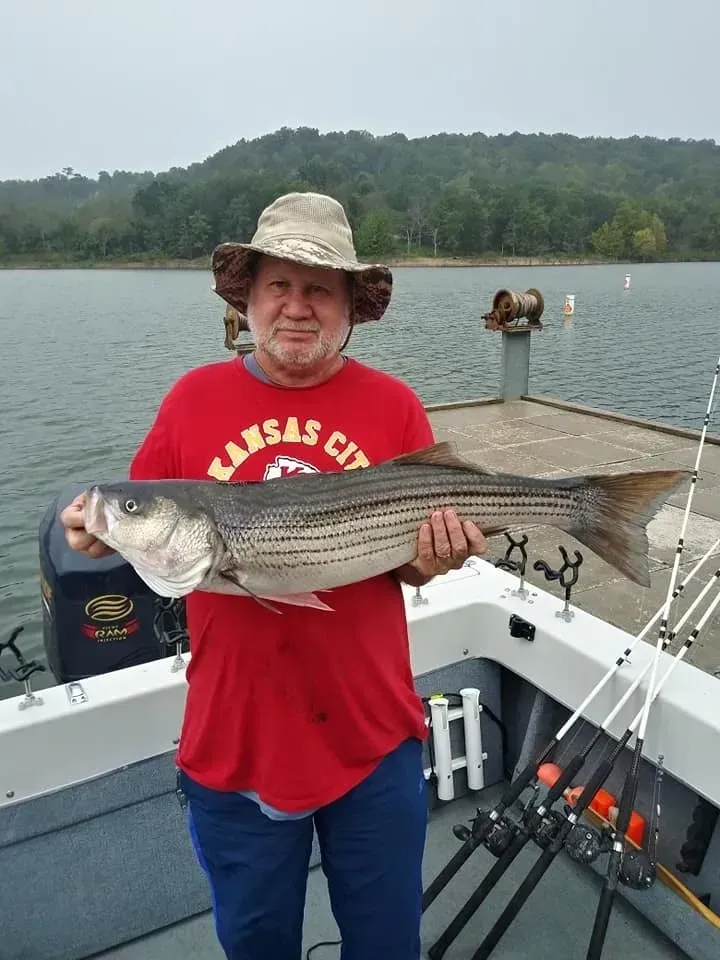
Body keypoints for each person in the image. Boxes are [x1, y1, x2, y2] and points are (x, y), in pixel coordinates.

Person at [60, 192, 487, 960]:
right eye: (278, 287)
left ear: (349, 306)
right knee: (256, 945)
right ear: (247, 300)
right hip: (235, 743)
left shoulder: (393, 405)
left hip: (373, 735)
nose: (297, 307)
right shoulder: (192, 400)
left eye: (319, 288)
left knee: (388, 944)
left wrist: (433, 558)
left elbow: (415, 564)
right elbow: (144, 519)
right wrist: (102, 530)